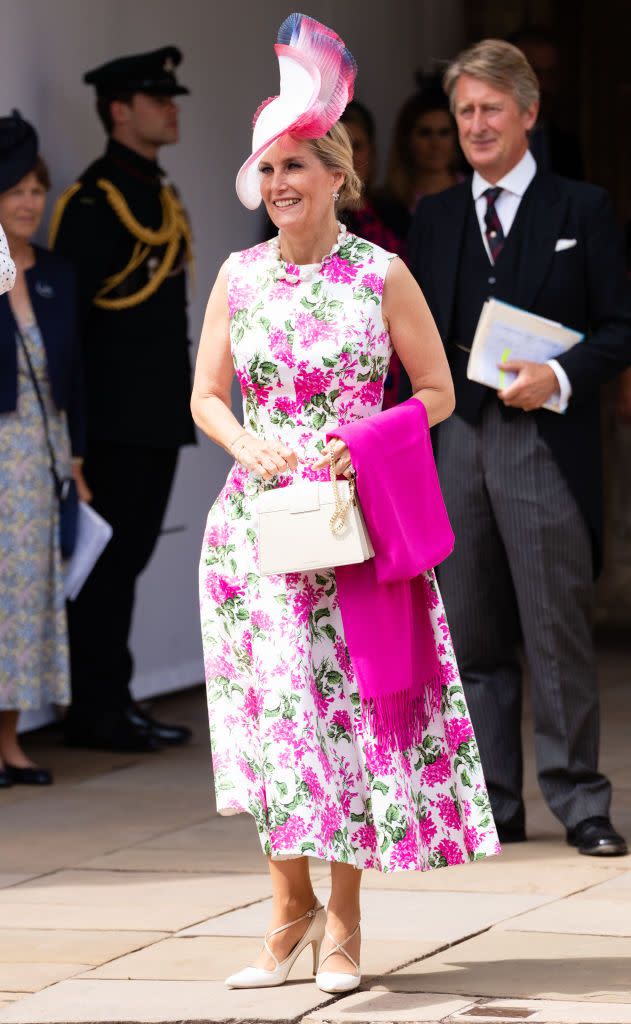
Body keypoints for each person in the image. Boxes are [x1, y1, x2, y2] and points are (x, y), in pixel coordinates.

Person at [192, 13, 499, 994]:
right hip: (251, 535)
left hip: (348, 534)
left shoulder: (379, 273)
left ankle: (346, 928)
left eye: (296, 167)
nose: (278, 186)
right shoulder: (240, 277)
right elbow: (205, 394)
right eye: (267, 170)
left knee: (347, 730)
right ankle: (286, 918)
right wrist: (249, 440)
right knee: (273, 727)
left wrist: (353, 441)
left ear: (337, 173)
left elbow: (438, 392)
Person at [408, 39, 631, 856]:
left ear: (527, 114)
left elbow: (619, 328)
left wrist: (559, 376)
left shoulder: (582, 210)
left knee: (556, 630)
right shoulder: (432, 216)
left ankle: (580, 802)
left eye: (488, 109)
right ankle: (492, 803)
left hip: (543, 442)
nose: (473, 125)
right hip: (456, 444)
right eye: (463, 111)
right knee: (471, 635)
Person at [50, 48, 194, 753]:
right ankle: (95, 708)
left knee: (129, 560)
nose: (172, 108)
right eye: (156, 98)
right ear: (119, 110)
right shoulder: (93, 201)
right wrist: (75, 434)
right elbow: (70, 328)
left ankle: (113, 697)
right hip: (110, 421)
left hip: (156, 414)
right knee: (105, 566)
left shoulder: (155, 191)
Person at [0, 112, 87, 787]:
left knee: (29, 596)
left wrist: (76, 462)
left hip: (42, 454)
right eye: (15, 190)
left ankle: (10, 743)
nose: (30, 202)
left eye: (37, 189)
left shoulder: (57, 272)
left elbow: (75, 375)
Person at [339, 100, 407, 409]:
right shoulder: (300, 222)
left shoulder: (395, 212)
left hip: (395, 351)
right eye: (338, 145)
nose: (349, 156)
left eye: (357, 145)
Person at [384, 77, 464, 229]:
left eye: (444, 133)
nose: (436, 144)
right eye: (425, 133)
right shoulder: (388, 203)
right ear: (407, 140)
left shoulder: (475, 192)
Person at [510, 25, 584, 180]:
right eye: (536, 73)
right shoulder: (482, 139)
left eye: (552, 74)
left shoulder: (567, 147)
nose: (545, 84)